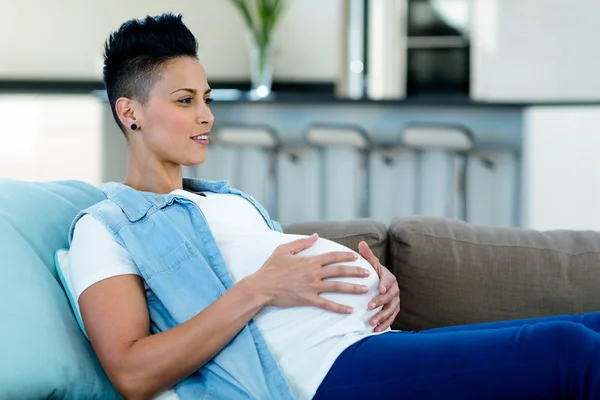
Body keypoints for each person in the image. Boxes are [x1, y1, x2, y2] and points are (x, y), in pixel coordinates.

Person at [63, 13, 600, 400]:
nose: (206, 115)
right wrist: (262, 288)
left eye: (207, 97)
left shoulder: (226, 200)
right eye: (185, 101)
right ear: (129, 111)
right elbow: (131, 373)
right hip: (317, 374)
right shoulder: (107, 228)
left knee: (588, 325)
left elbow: (287, 279)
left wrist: (377, 288)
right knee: (566, 351)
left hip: (368, 341)